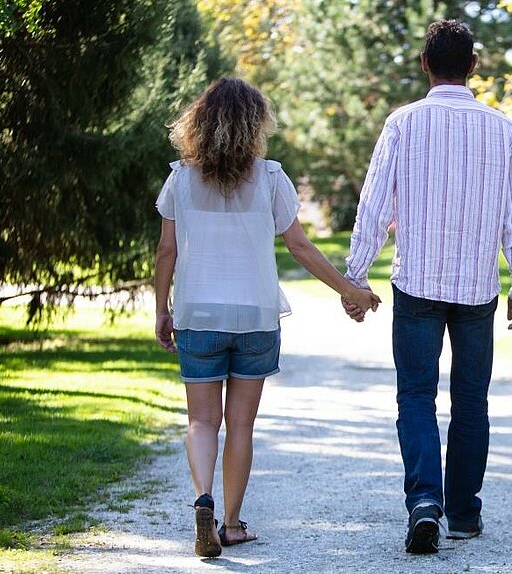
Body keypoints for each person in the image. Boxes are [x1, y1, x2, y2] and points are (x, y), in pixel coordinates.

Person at [154, 77, 380, 558]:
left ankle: (203, 502)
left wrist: (161, 310)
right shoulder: (271, 177)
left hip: (198, 313)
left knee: (200, 421)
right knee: (240, 425)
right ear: (255, 124)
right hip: (256, 315)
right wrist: (350, 290)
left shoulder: (180, 178)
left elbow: (166, 251)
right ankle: (231, 524)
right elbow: (299, 247)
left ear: (200, 121)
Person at [342, 20, 512, 554]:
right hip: (477, 288)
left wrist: (354, 277)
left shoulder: (403, 124)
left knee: (416, 397)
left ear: (425, 65)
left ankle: (424, 501)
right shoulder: (502, 129)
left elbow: (375, 207)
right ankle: (465, 515)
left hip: (418, 286)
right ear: (473, 66)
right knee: (471, 402)